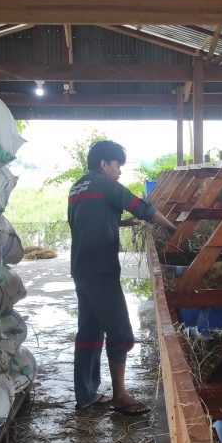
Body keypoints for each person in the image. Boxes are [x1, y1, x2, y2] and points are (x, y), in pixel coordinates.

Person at [67, 140, 176, 415]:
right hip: (101, 270)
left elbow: (87, 220)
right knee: (121, 333)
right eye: (117, 165)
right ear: (104, 164)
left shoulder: (77, 188)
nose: (119, 171)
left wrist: (119, 222)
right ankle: (120, 395)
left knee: (90, 332)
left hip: (82, 269)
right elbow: (143, 208)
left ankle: (86, 395)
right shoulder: (108, 186)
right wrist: (173, 228)